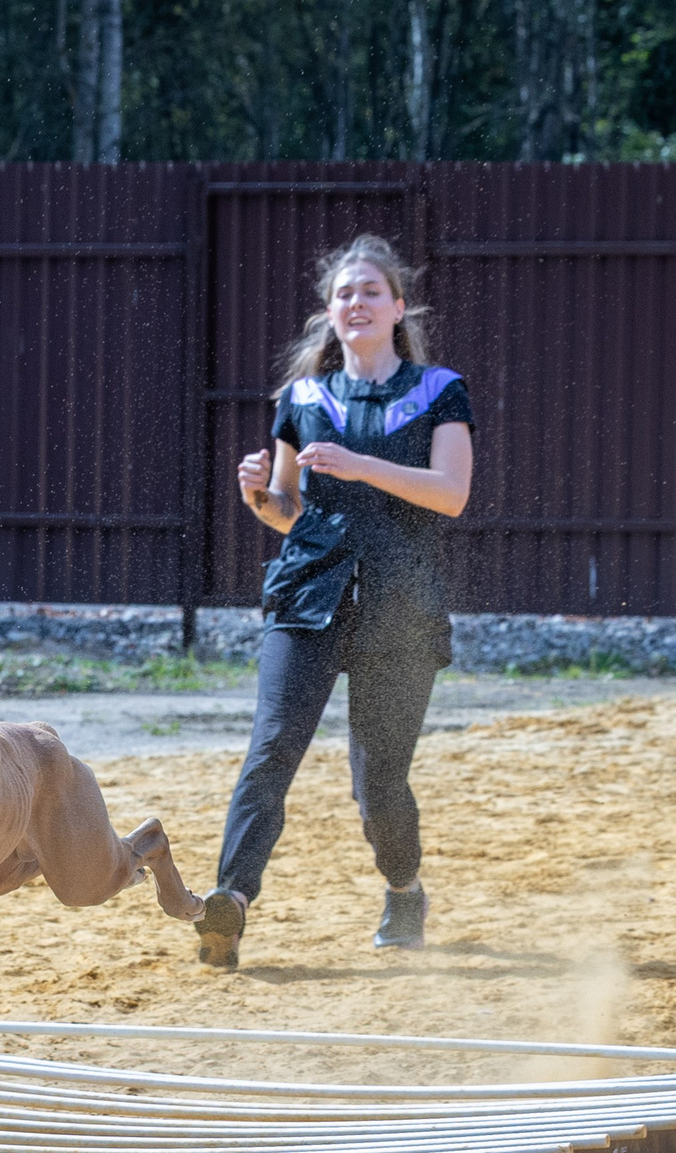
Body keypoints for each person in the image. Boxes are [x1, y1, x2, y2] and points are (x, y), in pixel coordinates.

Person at [195, 234, 474, 970]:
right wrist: (257, 494)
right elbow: (289, 509)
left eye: (371, 292)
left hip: (401, 607)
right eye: (345, 293)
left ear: (397, 307)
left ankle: (404, 888)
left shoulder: (440, 389)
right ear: (330, 311)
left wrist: (359, 465)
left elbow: (450, 494)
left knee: (378, 784)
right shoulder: (302, 398)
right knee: (272, 750)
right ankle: (230, 899)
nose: (357, 302)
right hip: (308, 594)